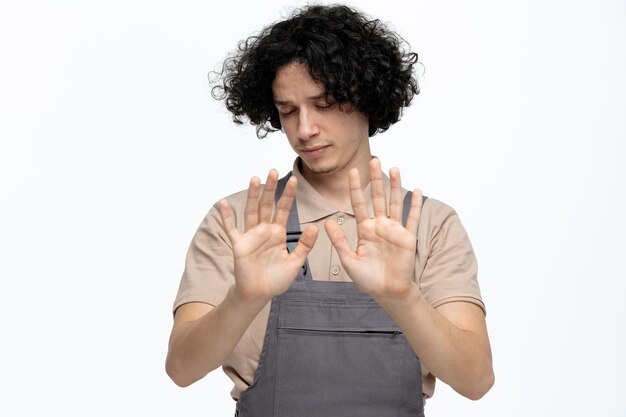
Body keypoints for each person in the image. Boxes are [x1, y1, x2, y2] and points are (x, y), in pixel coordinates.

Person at [166, 4, 494, 416]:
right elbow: (180, 368)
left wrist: (403, 297)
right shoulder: (239, 223)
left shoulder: (429, 225)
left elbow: (476, 379)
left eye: (322, 105)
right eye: (288, 111)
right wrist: (244, 298)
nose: (304, 129)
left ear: (366, 99)